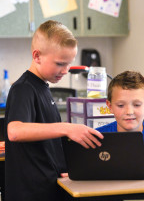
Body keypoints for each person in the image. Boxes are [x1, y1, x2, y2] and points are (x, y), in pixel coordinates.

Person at [4, 20, 104, 201]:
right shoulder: (24, 88)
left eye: (69, 63)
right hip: (31, 194)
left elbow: (47, 145)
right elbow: (15, 131)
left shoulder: (43, 87)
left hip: (49, 188)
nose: (65, 70)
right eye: (60, 63)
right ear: (37, 56)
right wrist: (66, 128)